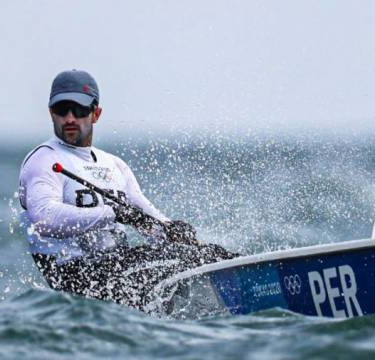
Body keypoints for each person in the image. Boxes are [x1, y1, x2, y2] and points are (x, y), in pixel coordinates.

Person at [19, 70, 236, 310]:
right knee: (190, 258)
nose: (70, 118)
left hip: (118, 267)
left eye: (79, 110)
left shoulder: (115, 165)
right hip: (79, 280)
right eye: (62, 110)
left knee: (202, 252)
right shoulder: (44, 162)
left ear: (96, 114)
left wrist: (170, 229)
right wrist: (112, 214)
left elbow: (147, 216)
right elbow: (44, 220)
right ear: (52, 112)